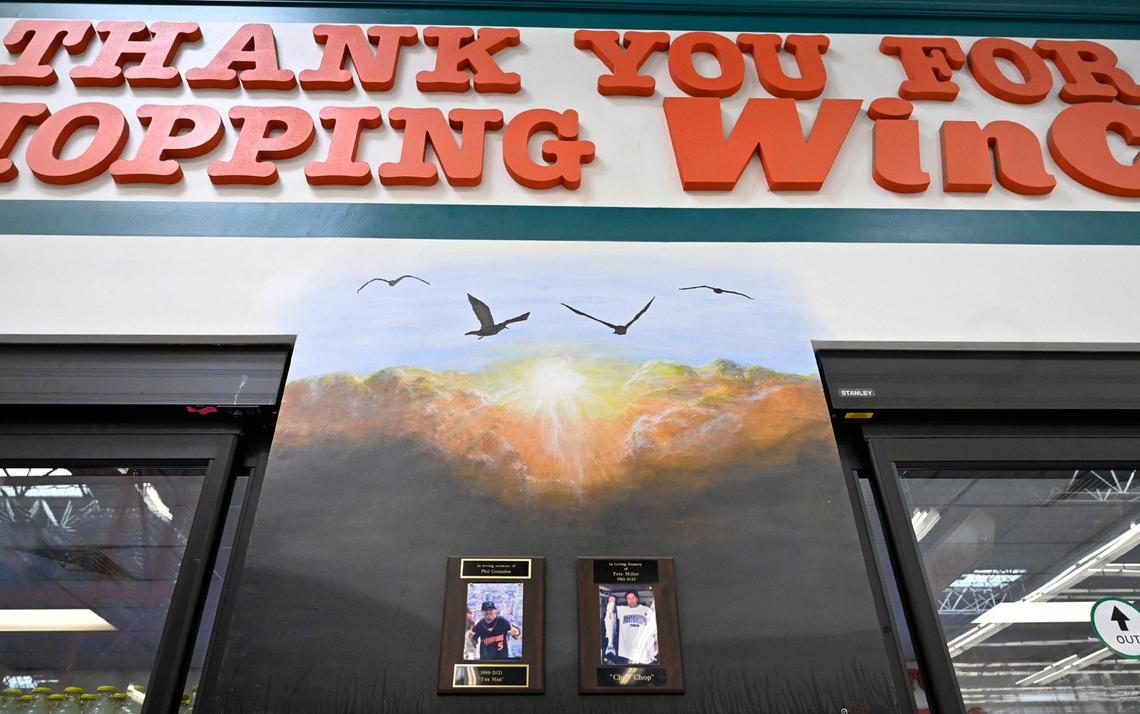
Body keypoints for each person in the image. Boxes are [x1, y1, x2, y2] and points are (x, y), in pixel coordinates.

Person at [603, 589, 659, 665]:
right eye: (628, 598)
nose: (630, 600)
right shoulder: (621, 609)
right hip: (625, 653)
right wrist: (611, 600)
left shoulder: (647, 610)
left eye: (632, 597)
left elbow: (655, 628)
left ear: (637, 598)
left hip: (643, 655)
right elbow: (609, 614)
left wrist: (656, 646)